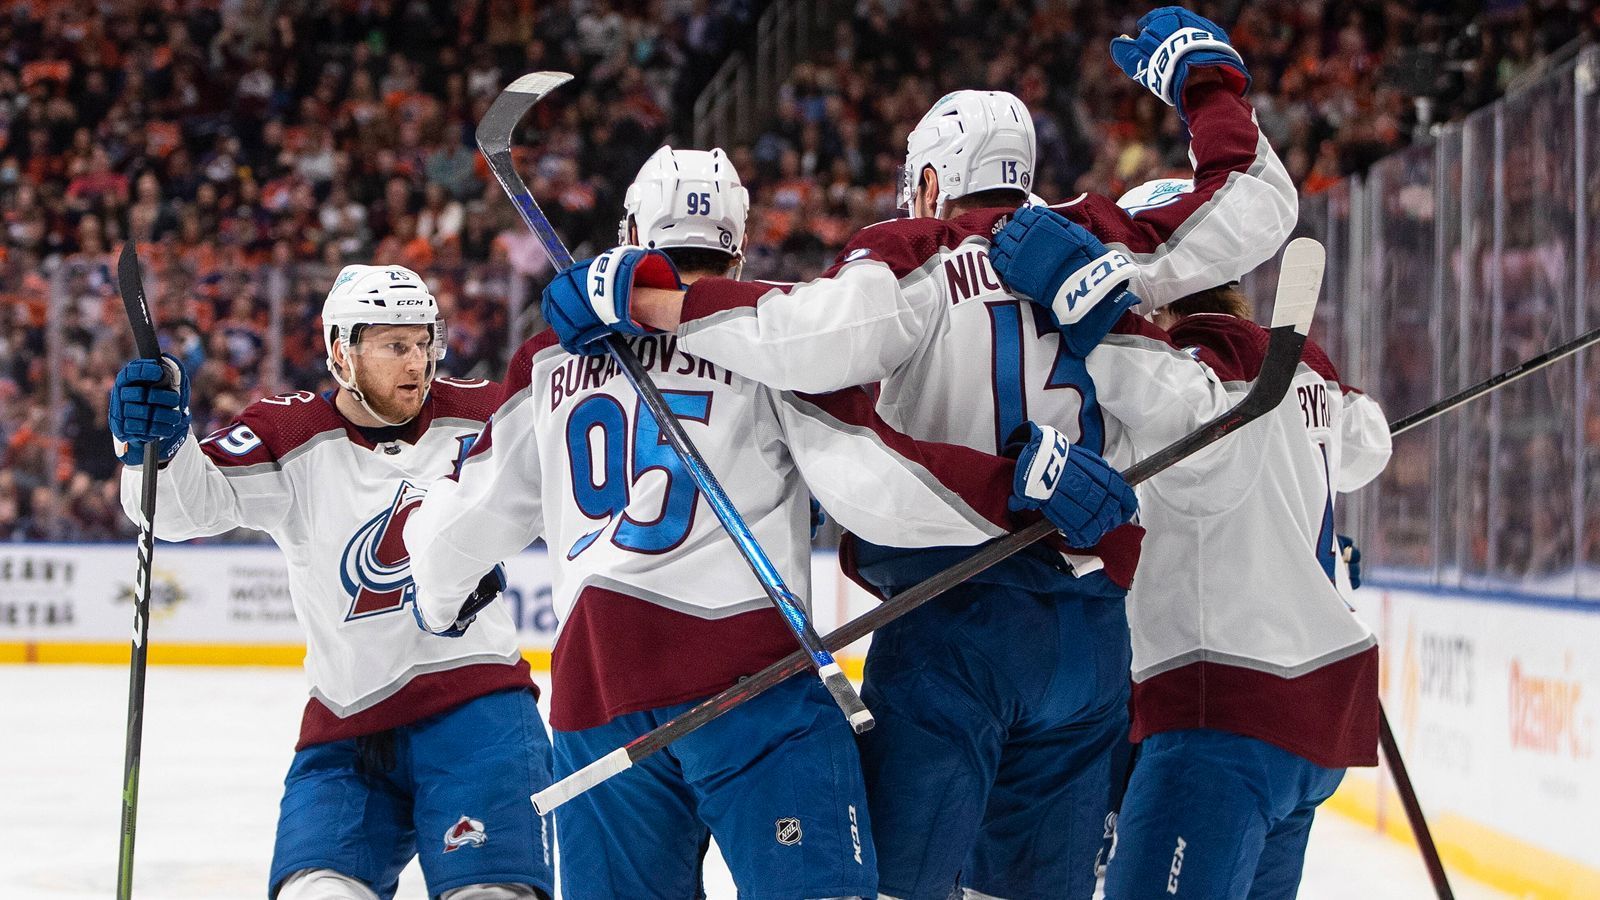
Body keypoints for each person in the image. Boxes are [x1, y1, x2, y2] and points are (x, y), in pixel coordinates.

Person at [538, 9, 1293, 898]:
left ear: (930, 181)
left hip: (949, 624)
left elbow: (802, 344)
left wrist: (651, 301)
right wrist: (1209, 86)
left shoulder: (911, 252)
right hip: (1090, 634)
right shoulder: (1099, 235)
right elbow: (1253, 209)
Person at [405, 146, 1136, 900]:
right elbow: (874, 482)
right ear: (737, 243)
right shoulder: (764, 331)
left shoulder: (550, 357)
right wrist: (1015, 490)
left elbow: (462, 521)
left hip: (600, 695)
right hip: (754, 684)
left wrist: (438, 596)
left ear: (630, 228)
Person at [109, 265, 554, 900]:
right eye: (395, 345)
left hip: (477, 717)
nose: (418, 362)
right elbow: (179, 510)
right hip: (348, 727)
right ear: (342, 352)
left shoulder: (485, 414)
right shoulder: (290, 434)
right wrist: (157, 444)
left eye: (425, 342)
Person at [1035, 225, 1392, 895]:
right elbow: (1370, 444)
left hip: (1223, 715)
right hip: (1315, 725)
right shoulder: (1308, 365)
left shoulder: (1181, 369)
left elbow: (1122, 371)